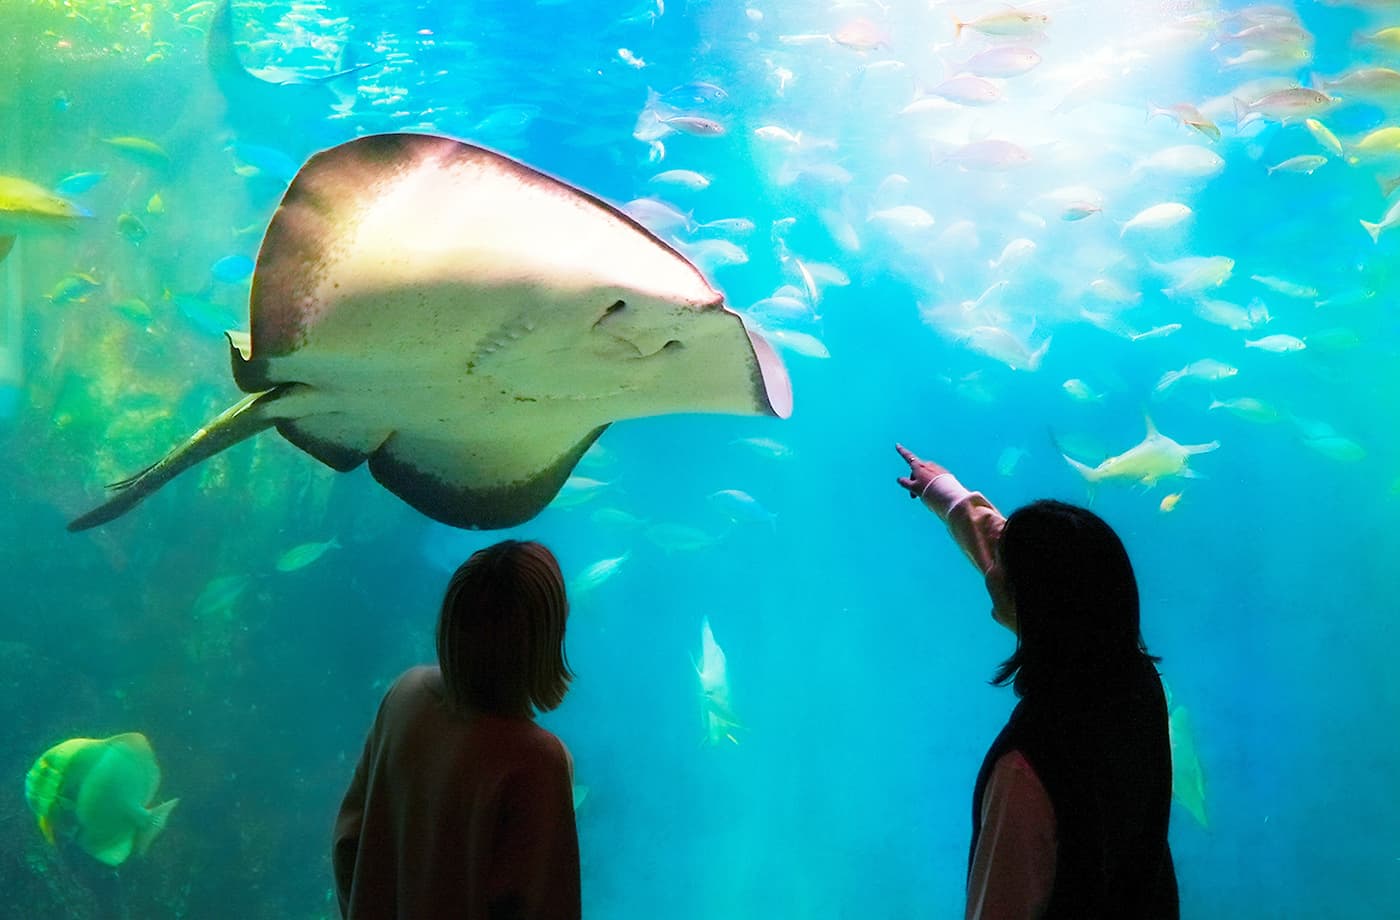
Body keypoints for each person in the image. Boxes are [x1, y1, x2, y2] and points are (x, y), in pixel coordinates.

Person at [895, 444, 1178, 920]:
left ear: (1032, 604)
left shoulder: (1026, 770)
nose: (990, 575)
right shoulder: (1135, 681)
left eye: (1001, 571)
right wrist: (945, 493)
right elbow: (1045, 567)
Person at [332, 539, 582, 920]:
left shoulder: (405, 695)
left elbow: (348, 842)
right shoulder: (537, 763)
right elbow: (537, 904)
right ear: (545, 638)